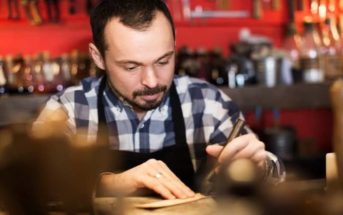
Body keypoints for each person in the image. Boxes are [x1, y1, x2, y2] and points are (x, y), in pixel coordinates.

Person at [35, 0, 284, 200]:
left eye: (163, 61)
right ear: (98, 57)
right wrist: (113, 183)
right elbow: (30, 183)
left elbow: (275, 177)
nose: (152, 81)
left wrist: (258, 167)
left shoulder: (206, 102)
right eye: (131, 67)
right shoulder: (67, 109)